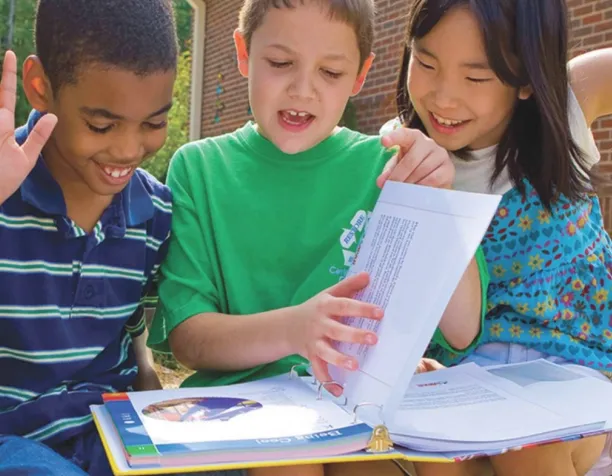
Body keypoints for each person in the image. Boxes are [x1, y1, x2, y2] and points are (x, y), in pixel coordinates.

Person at [148, 0, 489, 475]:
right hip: (246, 413)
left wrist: (439, 201)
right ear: (244, 53)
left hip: (359, 414)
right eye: (281, 63)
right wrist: (295, 329)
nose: (302, 89)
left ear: (360, 75)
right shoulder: (201, 168)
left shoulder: (388, 166)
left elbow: (462, 328)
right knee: (288, 461)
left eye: (330, 72)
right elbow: (188, 340)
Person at [379, 1, 612, 475]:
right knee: (433, 458)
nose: (444, 97)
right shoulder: (404, 157)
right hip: (459, 383)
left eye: (476, 77)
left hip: (571, 374)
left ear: (527, 77)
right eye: (425, 63)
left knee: (529, 446)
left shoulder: (564, 109)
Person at [0, 0, 178, 474]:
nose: (127, 149)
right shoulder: (3, 187)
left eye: (154, 123)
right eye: (101, 125)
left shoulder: (155, 212)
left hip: (114, 430)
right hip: (13, 438)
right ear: (41, 87)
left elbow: (135, 335)